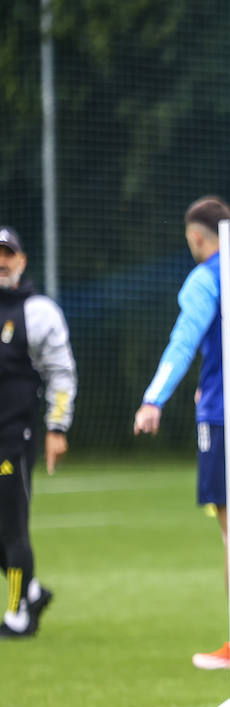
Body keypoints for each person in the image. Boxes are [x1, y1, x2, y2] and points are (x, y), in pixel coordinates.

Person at [133, 197, 230, 669]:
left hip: (226, 418)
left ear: (198, 237)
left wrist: (153, 399)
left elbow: (183, 341)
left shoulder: (206, 278)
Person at [0, 226, 75, 639]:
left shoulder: (37, 312)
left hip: (15, 437)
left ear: (22, 260)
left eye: (7, 254)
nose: (1, 262)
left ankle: (17, 614)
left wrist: (57, 427)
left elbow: (61, 374)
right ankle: (30, 591)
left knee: (13, 528)